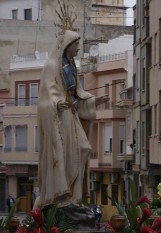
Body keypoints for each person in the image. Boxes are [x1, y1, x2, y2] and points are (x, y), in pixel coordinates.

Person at [35, 30, 108, 220]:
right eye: (76, 44)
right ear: (67, 45)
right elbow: (47, 95)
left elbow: (77, 93)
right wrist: (57, 104)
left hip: (72, 113)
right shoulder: (52, 66)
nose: (78, 48)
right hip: (60, 117)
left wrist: (93, 100)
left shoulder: (71, 66)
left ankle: (74, 199)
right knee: (64, 154)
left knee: (83, 148)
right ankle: (61, 200)